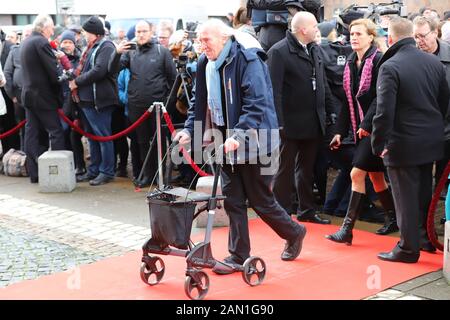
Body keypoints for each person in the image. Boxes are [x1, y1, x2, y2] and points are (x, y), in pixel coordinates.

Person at [174, 19, 306, 273]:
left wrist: (239, 135)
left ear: (224, 38)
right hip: (224, 137)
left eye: (206, 40)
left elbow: (256, 103)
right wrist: (190, 130)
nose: (201, 45)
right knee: (232, 199)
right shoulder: (204, 63)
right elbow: (198, 103)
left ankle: (295, 232)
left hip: (256, 137)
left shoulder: (247, 59)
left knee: (260, 200)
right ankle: (238, 256)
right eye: (199, 40)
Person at [372, 17, 449, 263]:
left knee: (404, 198)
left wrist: (378, 143)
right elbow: (442, 102)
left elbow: (384, 111)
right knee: (424, 192)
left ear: (390, 38)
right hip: (430, 140)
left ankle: (407, 248)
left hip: (402, 142)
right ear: (411, 36)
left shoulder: (390, 66)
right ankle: (424, 240)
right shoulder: (434, 63)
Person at [326, 19, 398, 245]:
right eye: (351, 34)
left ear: (370, 36)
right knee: (376, 177)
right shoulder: (350, 62)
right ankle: (394, 219)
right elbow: (349, 101)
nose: (353, 37)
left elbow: (381, 98)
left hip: (376, 129)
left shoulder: (378, 61)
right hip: (360, 129)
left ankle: (347, 230)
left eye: (358, 34)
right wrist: (339, 131)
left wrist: (366, 125)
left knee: (356, 174)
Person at [268, 11, 338, 225]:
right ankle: (282, 213)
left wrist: (329, 113)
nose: (318, 29)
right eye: (315, 26)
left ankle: (307, 209)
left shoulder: (315, 49)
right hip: (288, 124)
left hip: (313, 121)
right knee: (284, 170)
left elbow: (323, 84)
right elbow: (274, 91)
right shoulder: (278, 52)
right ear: (303, 29)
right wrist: (277, 122)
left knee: (307, 169)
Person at [113, 20, 176, 187]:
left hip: (158, 108)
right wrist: (117, 53)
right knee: (141, 142)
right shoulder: (131, 53)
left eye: (144, 31)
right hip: (137, 106)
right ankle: (147, 175)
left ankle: (160, 175)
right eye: (138, 32)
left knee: (159, 142)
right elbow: (113, 70)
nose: (140, 34)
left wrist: (167, 104)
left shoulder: (162, 52)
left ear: (151, 31)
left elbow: (173, 79)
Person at [70, 16, 119, 186]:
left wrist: (77, 81)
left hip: (100, 100)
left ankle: (106, 171)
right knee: (92, 138)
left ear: (94, 33)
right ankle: (94, 170)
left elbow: (99, 71)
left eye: (86, 32)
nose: (83, 35)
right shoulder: (91, 47)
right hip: (87, 100)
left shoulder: (106, 46)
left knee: (103, 137)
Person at [20, 15, 66, 183]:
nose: (52, 31)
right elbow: (53, 73)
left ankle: (35, 173)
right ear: (44, 28)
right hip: (43, 97)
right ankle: (59, 173)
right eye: (51, 28)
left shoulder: (26, 41)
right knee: (56, 132)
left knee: (32, 134)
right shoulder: (41, 42)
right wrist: (63, 74)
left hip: (29, 95)